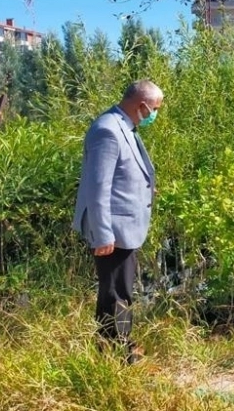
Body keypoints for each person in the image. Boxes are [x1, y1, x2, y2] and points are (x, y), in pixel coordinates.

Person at [72, 79, 164, 364]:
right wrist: (103, 235)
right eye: (155, 109)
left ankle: (110, 348)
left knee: (117, 290)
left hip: (124, 228)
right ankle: (119, 356)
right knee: (116, 292)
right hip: (113, 230)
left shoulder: (124, 127)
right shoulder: (107, 130)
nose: (155, 114)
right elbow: (97, 187)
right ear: (143, 105)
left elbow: (124, 174)